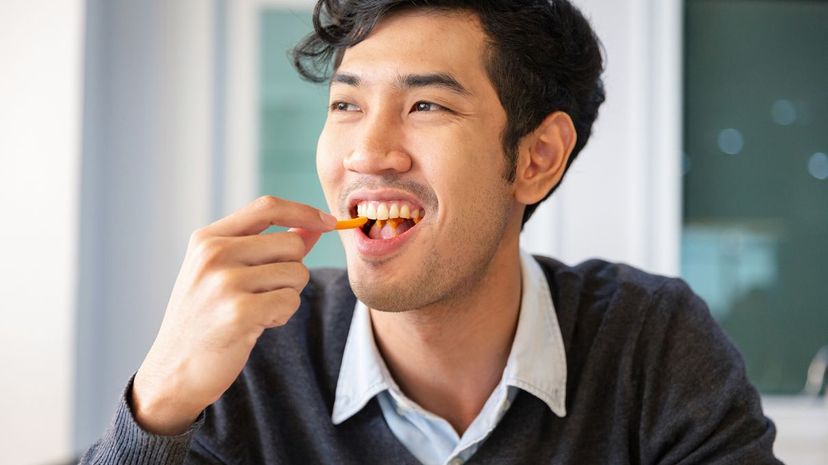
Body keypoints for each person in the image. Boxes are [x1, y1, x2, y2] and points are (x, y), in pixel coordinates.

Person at [82, 1, 782, 464]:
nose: (366, 151)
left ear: (536, 159)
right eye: (347, 103)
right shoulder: (255, 355)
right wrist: (160, 401)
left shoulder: (651, 343)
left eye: (424, 104)